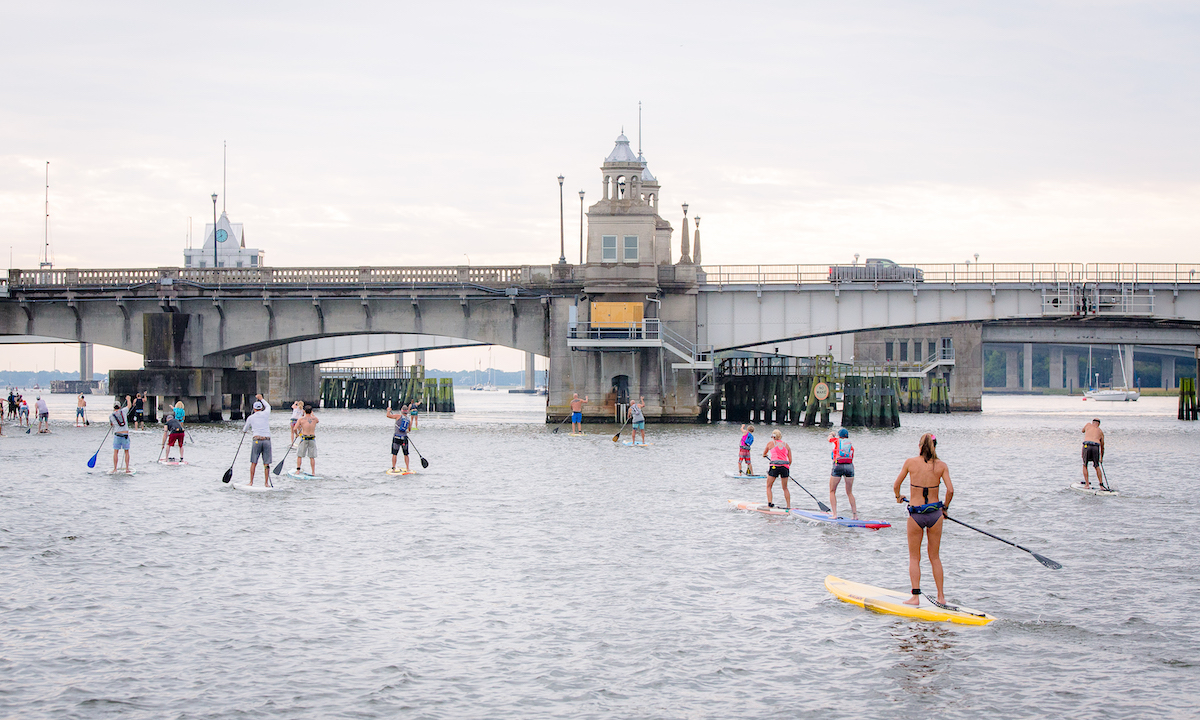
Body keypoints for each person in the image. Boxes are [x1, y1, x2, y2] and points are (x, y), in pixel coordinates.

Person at [893, 433, 954, 607]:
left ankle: (915, 597)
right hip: (935, 514)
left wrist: (898, 497)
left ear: (920, 446)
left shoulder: (910, 462)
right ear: (935, 446)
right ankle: (941, 597)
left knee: (914, 557)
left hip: (916, 514)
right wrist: (945, 509)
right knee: (935, 557)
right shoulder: (942, 466)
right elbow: (950, 491)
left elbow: (896, 485)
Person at [242, 394, 272, 487]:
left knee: (254, 462)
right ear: (261, 408)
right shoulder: (266, 413)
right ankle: (266, 483)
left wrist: (245, 431)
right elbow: (268, 406)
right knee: (266, 463)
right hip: (267, 441)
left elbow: (245, 429)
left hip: (256, 441)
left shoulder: (251, 417)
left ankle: (251, 482)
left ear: (254, 409)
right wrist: (261, 399)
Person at [829, 428, 858, 519]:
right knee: (849, 492)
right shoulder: (850, 445)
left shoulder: (836, 440)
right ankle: (855, 515)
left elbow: (829, 439)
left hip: (838, 465)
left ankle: (834, 514)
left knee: (832, 491)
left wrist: (832, 434)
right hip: (849, 466)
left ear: (839, 435)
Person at [761, 429, 792, 509]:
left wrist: (764, 455)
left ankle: (770, 504)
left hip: (774, 466)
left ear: (773, 437)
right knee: (785, 488)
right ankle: (788, 506)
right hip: (785, 467)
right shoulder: (786, 445)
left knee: (768, 486)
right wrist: (786, 467)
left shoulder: (770, 443)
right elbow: (790, 460)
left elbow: (764, 453)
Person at [386, 402, 412, 473]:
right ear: (407, 412)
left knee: (394, 454)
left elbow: (388, 415)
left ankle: (393, 468)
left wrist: (388, 410)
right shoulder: (408, 419)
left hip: (397, 437)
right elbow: (409, 429)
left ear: (401, 410)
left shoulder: (398, 416)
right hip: (404, 438)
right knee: (406, 454)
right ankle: (408, 468)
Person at [1081, 418, 1107, 490]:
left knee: (1085, 464)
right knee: (1096, 465)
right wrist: (1101, 458)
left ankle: (1087, 484)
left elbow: (1082, 431)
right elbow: (1102, 447)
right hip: (1096, 447)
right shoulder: (1100, 431)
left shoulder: (1088, 425)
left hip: (1087, 445)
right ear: (1098, 424)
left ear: (1093, 422)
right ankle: (1101, 485)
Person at [294, 405, 320, 476]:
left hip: (304, 438)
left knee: (300, 455)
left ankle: (298, 470)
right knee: (312, 457)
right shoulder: (314, 419)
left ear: (304, 411)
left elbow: (294, 428)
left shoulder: (301, 419)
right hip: (312, 438)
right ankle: (313, 472)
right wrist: (312, 415)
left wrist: (297, 434)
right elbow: (317, 420)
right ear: (311, 411)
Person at [111, 400, 131, 472]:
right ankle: (127, 469)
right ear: (119, 406)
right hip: (125, 435)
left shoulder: (111, 415)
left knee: (116, 452)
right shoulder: (124, 411)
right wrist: (128, 399)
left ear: (113, 407)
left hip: (117, 435)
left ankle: (115, 469)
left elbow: (112, 424)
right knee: (126, 451)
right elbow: (129, 405)